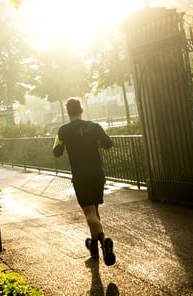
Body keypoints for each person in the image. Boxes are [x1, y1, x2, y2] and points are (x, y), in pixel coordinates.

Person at [52, 98, 116, 266]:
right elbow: (108, 144)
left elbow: (56, 152)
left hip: (80, 175)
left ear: (68, 112)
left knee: (88, 212)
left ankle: (104, 241)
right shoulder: (94, 127)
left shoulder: (63, 131)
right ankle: (94, 247)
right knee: (94, 211)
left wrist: (61, 139)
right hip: (97, 173)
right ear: (81, 110)